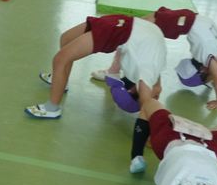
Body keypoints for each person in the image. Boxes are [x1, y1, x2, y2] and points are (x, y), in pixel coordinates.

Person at [25, 14, 165, 119]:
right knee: (66, 39)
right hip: (125, 25)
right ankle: (61, 82)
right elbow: (147, 103)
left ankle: (52, 108)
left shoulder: (144, 74)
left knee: (60, 59)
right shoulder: (147, 76)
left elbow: (147, 98)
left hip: (124, 29)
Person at [92, 7, 217, 110]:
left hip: (189, 17)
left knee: (135, 28)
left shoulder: (213, 53)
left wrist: (212, 78)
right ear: (202, 70)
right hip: (181, 21)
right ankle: (112, 71)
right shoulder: (208, 56)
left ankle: (114, 71)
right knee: (131, 30)